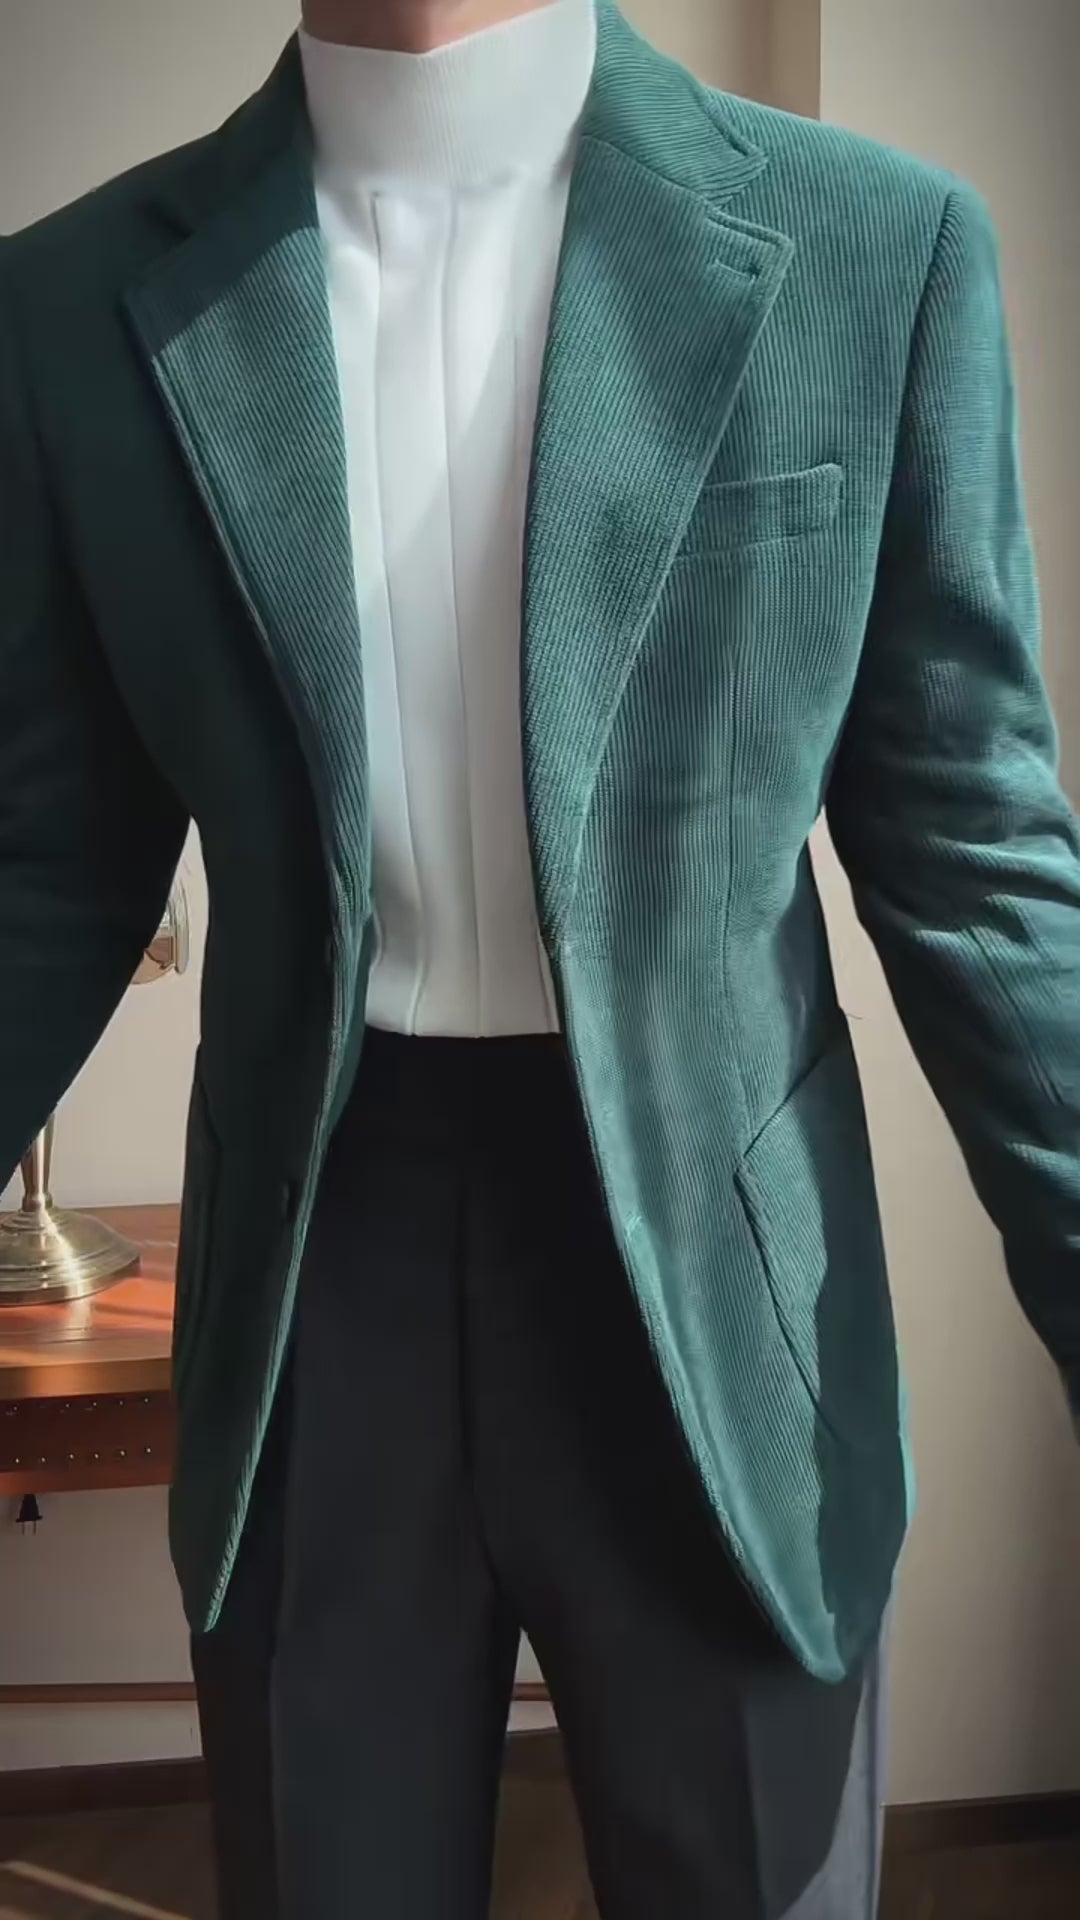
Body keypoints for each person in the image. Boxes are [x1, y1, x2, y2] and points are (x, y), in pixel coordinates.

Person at [2, 0, 1078, 1913]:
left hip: (725, 1297)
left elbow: (978, 851)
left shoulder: (877, 248)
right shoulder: (70, 305)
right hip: (314, 1281)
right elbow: (45, 867)